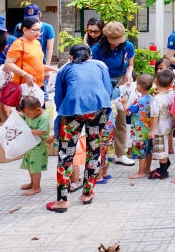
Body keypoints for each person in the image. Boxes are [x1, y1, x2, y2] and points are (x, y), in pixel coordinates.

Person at [48, 44, 112, 212]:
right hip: (99, 109)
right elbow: (107, 90)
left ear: (70, 57)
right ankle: (88, 193)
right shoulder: (100, 65)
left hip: (72, 111)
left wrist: (61, 120)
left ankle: (62, 201)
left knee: (66, 155)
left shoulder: (65, 69)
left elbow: (59, 97)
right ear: (89, 56)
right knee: (94, 149)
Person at [91, 21, 135, 167]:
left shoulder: (128, 46)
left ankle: (120, 154)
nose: (115, 44)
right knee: (104, 118)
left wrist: (129, 74)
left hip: (121, 84)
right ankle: (101, 154)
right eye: (113, 41)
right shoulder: (97, 49)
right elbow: (94, 69)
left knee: (121, 117)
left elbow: (130, 64)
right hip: (103, 84)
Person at [4, 18, 57, 120]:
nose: (38, 33)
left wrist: (47, 68)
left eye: (39, 30)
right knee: (26, 117)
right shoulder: (18, 44)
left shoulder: (36, 43)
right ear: (25, 30)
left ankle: (36, 135)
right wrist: (25, 75)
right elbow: (8, 64)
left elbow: (35, 63)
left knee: (39, 117)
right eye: (35, 30)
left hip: (38, 85)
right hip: (24, 87)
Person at [13, 4, 54, 100]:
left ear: (40, 14)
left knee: (41, 95)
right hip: (24, 66)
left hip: (40, 64)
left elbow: (49, 48)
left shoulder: (48, 28)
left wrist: (47, 68)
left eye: (34, 17)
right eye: (28, 18)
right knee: (24, 97)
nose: (31, 21)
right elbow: (17, 46)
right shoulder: (19, 27)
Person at [123, 73, 154, 179]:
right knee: (148, 150)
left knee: (141, 152)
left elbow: (128, 112)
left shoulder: (138, 101)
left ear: (139, 87)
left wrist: (124, 103)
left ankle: (141, 172)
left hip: (139, 131)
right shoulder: (152, 99)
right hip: (149, 129)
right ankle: (147, 168)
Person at [17, 95, 50, 196]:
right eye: (25, 114)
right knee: (30, 165)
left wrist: (28, 131)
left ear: (38, 109)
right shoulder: (30, 114)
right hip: (30, 145)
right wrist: (18, 115)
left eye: (28, 114)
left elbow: (42, 131)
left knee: (35, 167)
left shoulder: (44, 117)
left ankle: (36, 187)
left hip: (39, 147)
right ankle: (32, 183)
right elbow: (23, 116)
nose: (27, 116)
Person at [147, 69, 175, 180]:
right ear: (171, 83)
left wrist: (151, 130)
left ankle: (163, 171)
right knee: (164, 148)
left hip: (159, 128)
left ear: (156, 82)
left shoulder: (156, 99)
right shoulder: (172, 94)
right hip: (168, 126)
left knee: (160, 151)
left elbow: (155, 116)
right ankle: (165, 164)